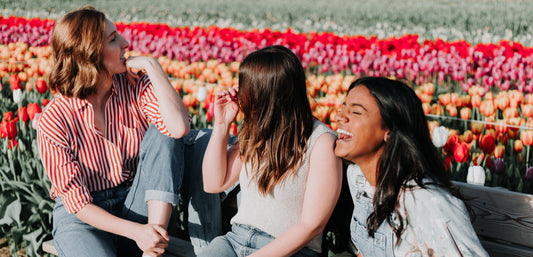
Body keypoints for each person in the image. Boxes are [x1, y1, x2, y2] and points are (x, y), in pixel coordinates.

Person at [37, 6, 190, 257]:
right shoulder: (55, 118)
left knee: (163, 132)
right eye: (113, 39)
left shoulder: (135, 86)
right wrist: (137, 233)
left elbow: (178, 128)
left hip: (137, 204)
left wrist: (153, 67)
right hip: (85, 220)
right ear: (90, 54)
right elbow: (77, 204)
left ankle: (152, 251)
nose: (126, 43)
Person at [198, 45, 343, 257]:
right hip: (235, 241)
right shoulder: (257, 133)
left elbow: (312, 225)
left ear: (266, 94)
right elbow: (213, 183)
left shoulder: (320, 142)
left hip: (291, 251)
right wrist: (221, 124)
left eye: (246, 87)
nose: (240, 93)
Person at [334, 77, 488, 257]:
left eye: (356, 112)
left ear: (389, 131)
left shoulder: (425, 200)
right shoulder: (358, 177)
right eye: (343, 107)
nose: (339, 116)